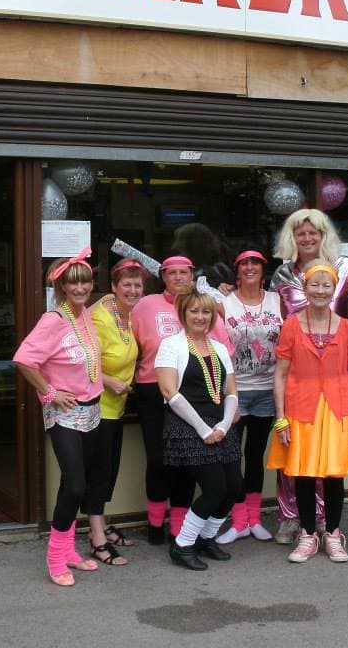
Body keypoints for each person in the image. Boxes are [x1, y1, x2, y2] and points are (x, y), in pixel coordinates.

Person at [268, 208, 348, 544]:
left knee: (328, 459)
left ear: (325, 236)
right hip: (298, 372)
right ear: (292, 238)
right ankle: (292, 516)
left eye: (314, 232)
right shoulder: (282, 275)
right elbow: (269, 310)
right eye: (301, 233)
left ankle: (326, 522)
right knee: (295, 456)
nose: (308, 238)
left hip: (335, 370)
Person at [12, 250, 107, 586]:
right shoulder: (53, 320)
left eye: (86, 282)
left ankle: (67, 550)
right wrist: (50, 393)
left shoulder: (83, 315)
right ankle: (55, 557)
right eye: (74, 283)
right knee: (76, 484)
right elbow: (24, 360)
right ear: (63, 286)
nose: (81, 289)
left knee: (73, 485)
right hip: (65, 413)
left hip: (93, 411)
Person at [130, 255, 231, 544]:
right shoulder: (146, 305)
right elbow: (131, 344)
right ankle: (154, 522)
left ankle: (178, 525)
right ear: (162, 276)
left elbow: (222, 349)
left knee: (187, 461)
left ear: (191, 275)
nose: (177, 277)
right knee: (159, 460)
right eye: (171, 273)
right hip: (152, 388)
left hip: (193, 391)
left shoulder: (202, 305)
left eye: (183, 272)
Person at [155, 289, 241, 570]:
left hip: (219, 426)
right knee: (215, 490)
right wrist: (204, 429)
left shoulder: (218, 347)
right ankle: (182, 545)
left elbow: (231, 391)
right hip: (189, 427)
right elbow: (169, 392)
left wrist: (224, 425)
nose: (201, 317)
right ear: (183, 314)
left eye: (206, 312)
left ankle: (206, 538)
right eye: (194, 311)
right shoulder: (171, 345)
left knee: (233, 489)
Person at [215, 249, 283, 545]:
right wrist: (227, 394)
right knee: (232, 457)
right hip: (236, 391)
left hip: (268, 390)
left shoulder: (277, 300)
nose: (250, 267)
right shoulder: (222, 302)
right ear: (236, 270)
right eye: (244, 263)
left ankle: (254, 519)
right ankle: (238, 519)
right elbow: (216, 348)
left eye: (256, 263)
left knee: (256, 456)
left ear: (263, 269)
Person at [88, 259, 150, 561]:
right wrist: (108, 379)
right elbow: (81, 362)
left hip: (117, 407)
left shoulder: (126, 314)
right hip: (97, 408)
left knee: (109, 470)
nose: (133, 289)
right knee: (99, 472)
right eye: (126, 284)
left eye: (138, 284)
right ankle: (96, 536)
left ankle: (102, 524)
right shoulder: (100, 317)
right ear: (114, 287)